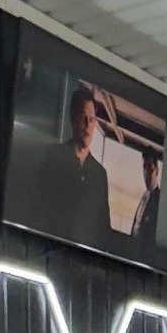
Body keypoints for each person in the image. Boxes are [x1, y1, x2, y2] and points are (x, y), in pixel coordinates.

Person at [38, 83, 111, 246]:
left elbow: (104, 227)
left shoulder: (100, 174)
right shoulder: (53, 156)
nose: (88, 125)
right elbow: (39, 208)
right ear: (72, 119)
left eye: (92, 120)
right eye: (83, 117)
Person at [130, 149, 161, 254]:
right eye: (144, 167)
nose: (146, 172)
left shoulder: (159, 200)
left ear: (157, 170)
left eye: (150, 167)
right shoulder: (144, 197)